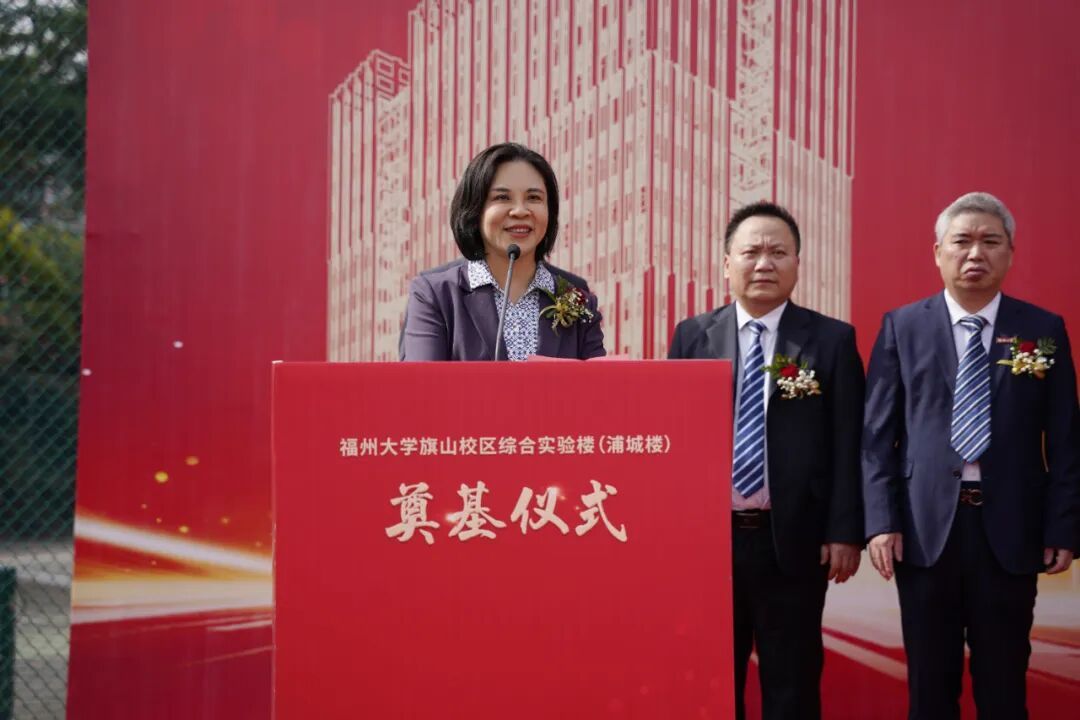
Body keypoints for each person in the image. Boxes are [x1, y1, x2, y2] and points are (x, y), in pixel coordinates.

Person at [862, 191, 1079, 719]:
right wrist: (882, 522)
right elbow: (876, 439)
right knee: (930, 688)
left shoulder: (1042, 330)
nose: (975, 253)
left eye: (990, 241)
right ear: (938, 252)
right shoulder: (903, 326)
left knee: (1003, 687)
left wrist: (1064, 528)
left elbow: (1067, 440)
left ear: (1010, 253)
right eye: (962, 241)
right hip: (925, 533)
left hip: (1011, 531)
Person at [668, 201, 865, 720]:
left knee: (792, 685)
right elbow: (677, 440)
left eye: (778, 252)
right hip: (712, 543)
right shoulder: (692, 336)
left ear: (797, 263)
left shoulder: (832, 340)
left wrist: (845, 531)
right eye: (751, 252)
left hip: (794, 541)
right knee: (711, 682)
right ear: (726, 263)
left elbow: (850, 441)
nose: (764, 263)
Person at [399, 142, 604, 361]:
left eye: (534, 198)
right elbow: (422, 381)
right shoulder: (435, 294)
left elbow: (598, 380)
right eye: (502, 197)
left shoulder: (575, 295)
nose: (520, 211)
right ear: (475, 209)